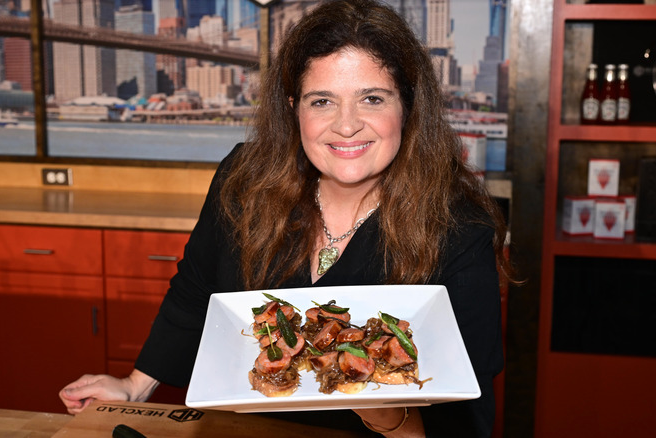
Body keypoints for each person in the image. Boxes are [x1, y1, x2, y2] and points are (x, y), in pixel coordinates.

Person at [60, 0, 515, 436]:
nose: (347, 124)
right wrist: (135, 384)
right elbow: (196, 290)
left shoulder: (461, 226)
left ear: (408, 107)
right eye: (322, 101)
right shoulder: (244, 178)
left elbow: (465, 410)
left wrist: (390, 420)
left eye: (372, 98)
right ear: (293, 106)